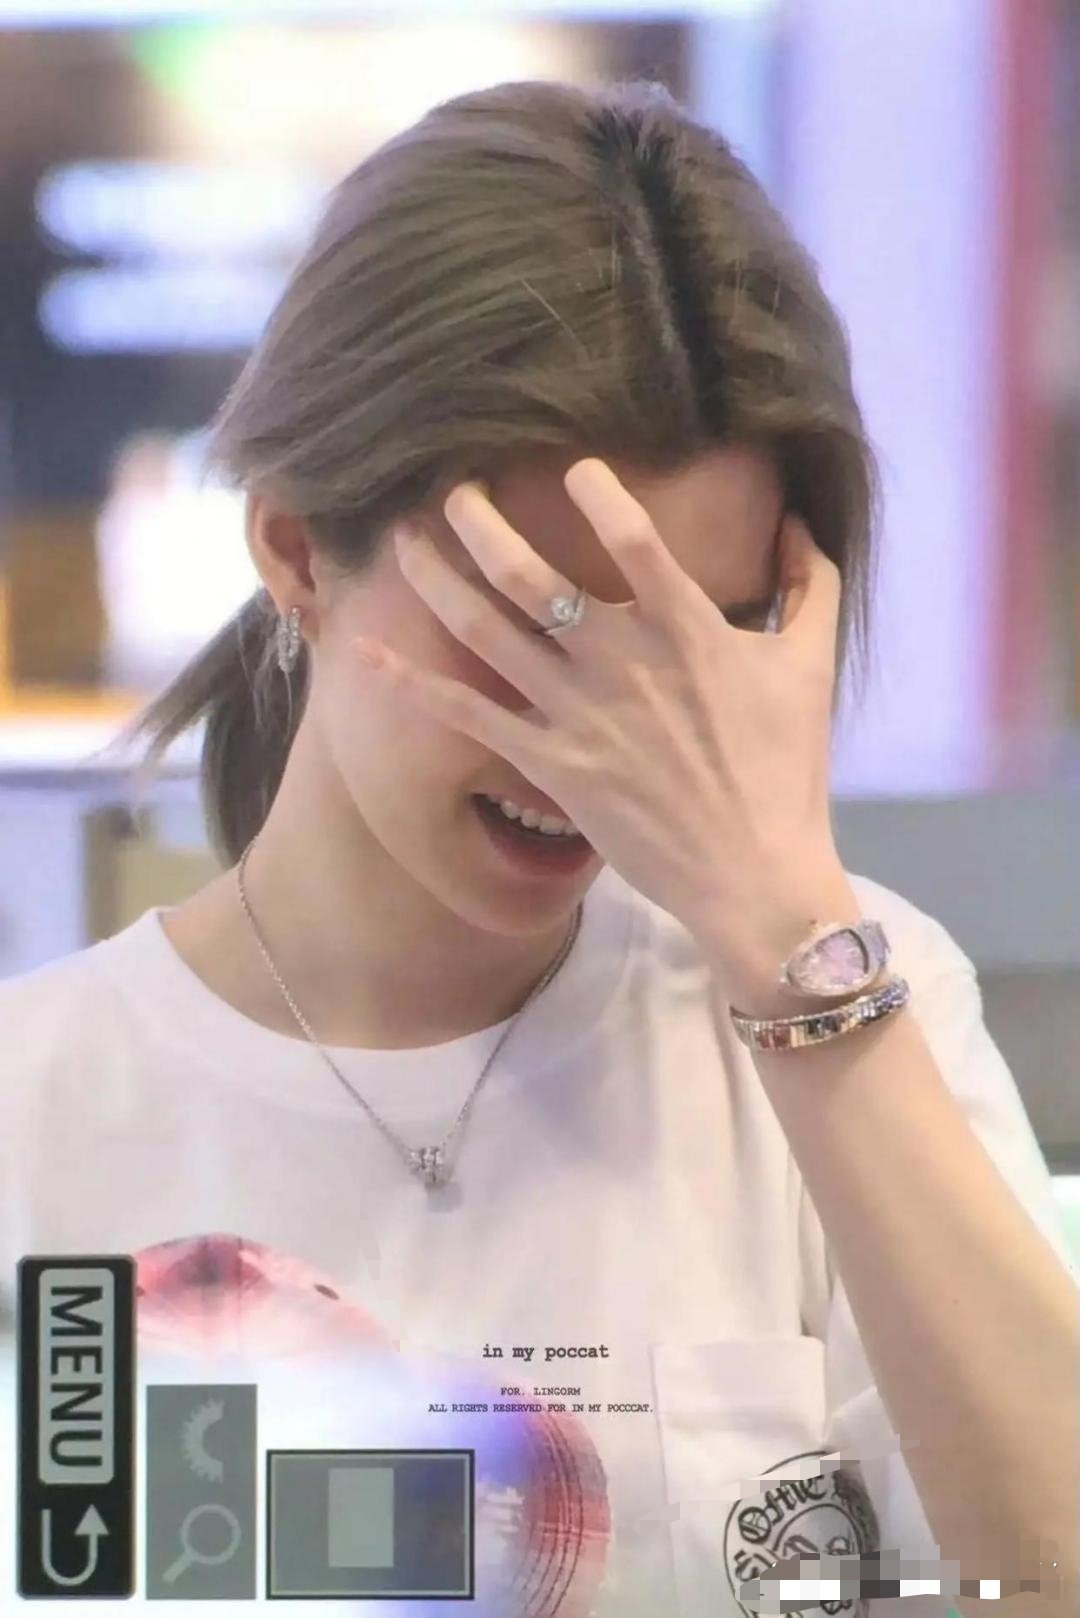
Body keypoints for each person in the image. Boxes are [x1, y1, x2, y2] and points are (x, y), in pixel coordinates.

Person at [1, 79, 1076, 1618]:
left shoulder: (853, 1015)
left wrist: (795, 951)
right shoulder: (41, 1112)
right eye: (532, 629)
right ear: (297, 548)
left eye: (699, 639)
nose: (600, 738)